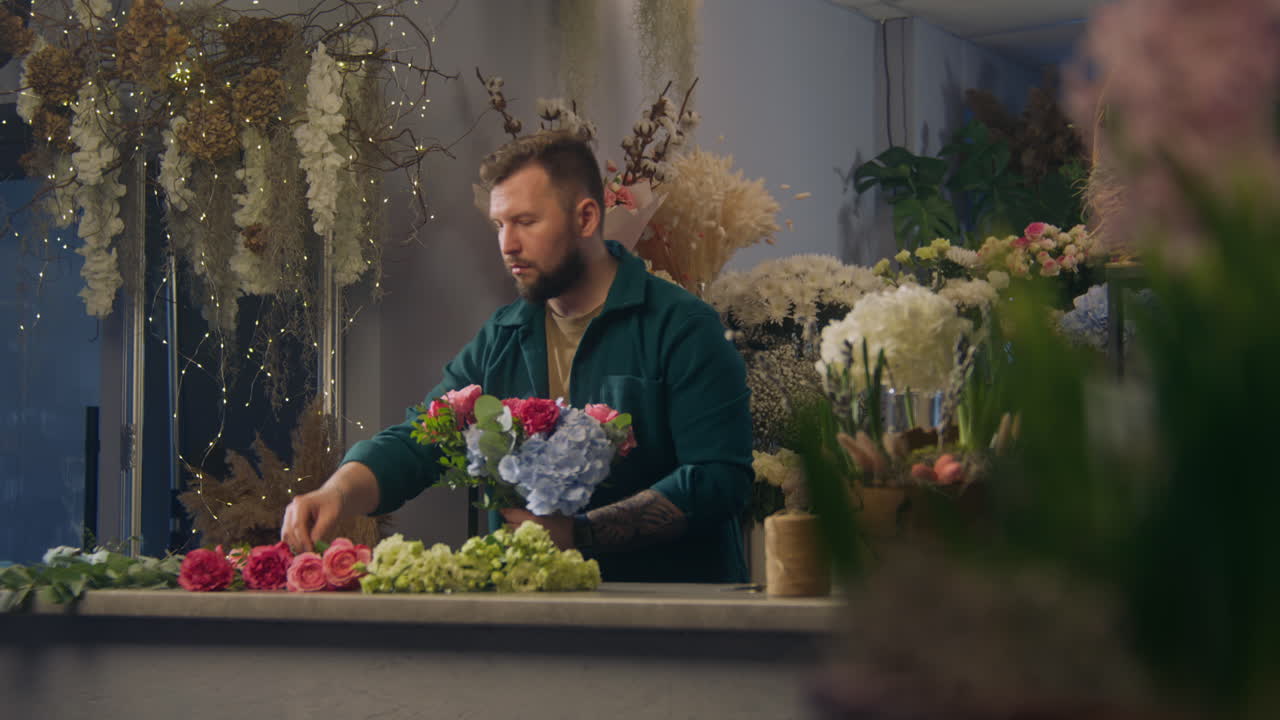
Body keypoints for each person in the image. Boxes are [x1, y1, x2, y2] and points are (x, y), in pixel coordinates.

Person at [280, 131, 753, 583]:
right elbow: (416, 441)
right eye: (500, 225)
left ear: (586, 218)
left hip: (671, 622)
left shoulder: (682, 327)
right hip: (530, 620)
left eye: (526, 222)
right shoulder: (503, 334)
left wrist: (579, 533)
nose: (507, 244)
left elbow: (719, 480)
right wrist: (336, 493)